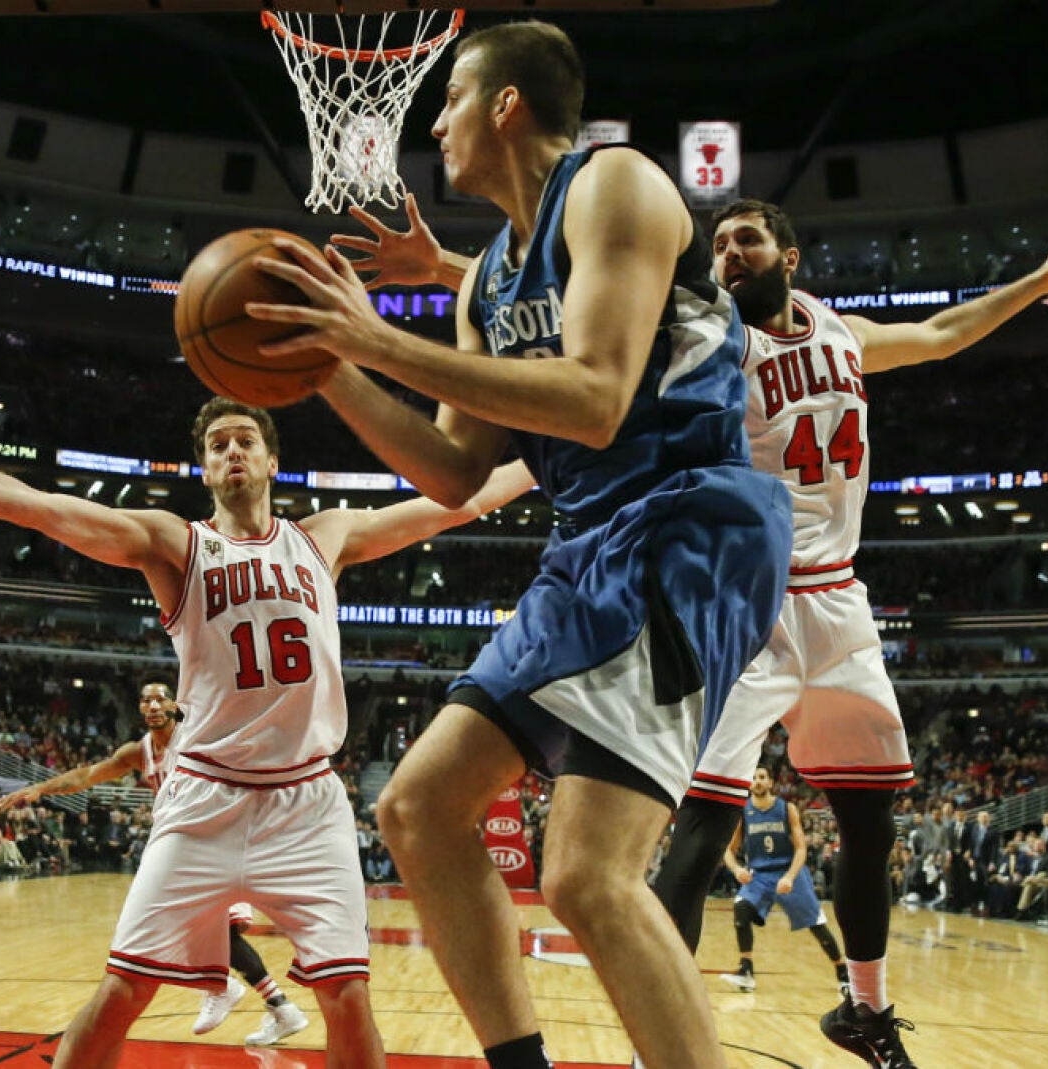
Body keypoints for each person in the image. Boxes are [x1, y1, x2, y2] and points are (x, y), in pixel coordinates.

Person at [329, 180, 1048, 1067]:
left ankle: (865, 1006)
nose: (727, 258)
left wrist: (1037, 284)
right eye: (720, 245)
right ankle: (663, 1032)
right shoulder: (705, 328)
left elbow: (939, 334)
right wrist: (446, 270)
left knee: (871, 812)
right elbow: (587, 291)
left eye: (745, 245)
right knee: (688, 830)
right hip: (745, 588)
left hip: (840, 596)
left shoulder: (838, 329)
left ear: (789, 257)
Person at [246, 21, 791, 1069]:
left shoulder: (615, 185)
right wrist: (329, 367)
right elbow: (453, 470)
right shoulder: (483, 281)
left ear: (504, 104)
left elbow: (593, 400)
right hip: (588, 540)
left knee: (587, 876)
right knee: (418, 807)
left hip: (688, 529)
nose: (434, 118)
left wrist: (373, 337)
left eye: (449, 96)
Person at [0, 390, 533, 1069]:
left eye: (245, 439)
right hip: (203, 799)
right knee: (124, 987)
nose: (233, 451)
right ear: (204, 468)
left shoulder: (325, 535)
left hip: (307, 802)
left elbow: (454, 504)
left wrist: (550, 457)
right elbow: (33, 505)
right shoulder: (176, 544)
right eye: (217, 445)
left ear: (272, 458)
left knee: (348, 997)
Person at [0, 680, 313, 1048]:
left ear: (176, 705)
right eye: (145, 700)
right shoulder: (138, 751)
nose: (152, 705)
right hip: (178, 842)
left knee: (174, 930)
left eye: (160, 698)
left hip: (213, 834)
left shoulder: (196, 735)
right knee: (209, 931)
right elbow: (87, 775)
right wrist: (40, 789)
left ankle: (226, 988)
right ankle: (273, 1004)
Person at [717, 768, 848, 997]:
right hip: (760, 875)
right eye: (754, 778)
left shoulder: (786, 809)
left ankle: (843, 973)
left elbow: (800, 849)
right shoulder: (744, 813)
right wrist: (737, 869)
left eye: (762, 777)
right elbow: (728, 850)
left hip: (790, 872)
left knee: (817, 925)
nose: (757, 782)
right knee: (741, 910)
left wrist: (789, 876)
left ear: (771, 782)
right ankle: (746, 971)